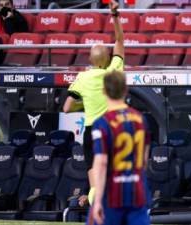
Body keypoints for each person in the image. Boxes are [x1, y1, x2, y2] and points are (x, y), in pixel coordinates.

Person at [63, 0, 124, 206]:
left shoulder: (82, 77)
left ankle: (94, 206)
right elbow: (120, 41)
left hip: (91, 131)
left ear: (90, 60)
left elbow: (67, 107)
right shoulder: (114, 70)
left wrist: (86, 105)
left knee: (95, 183)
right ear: (108, 58)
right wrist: (114, 16)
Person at [90, 70, 151, 225]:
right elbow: (144, 160)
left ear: (103, 91)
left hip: (112, 194)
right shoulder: (141, 119)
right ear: (126, 90)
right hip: (137, 191)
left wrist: (97, 200)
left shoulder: (102, 123)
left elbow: (101, 162)